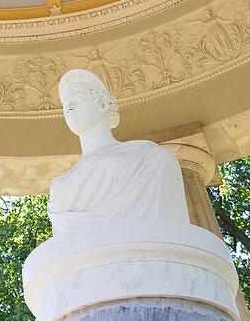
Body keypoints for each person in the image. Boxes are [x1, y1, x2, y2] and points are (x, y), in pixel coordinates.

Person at [48, 69, 188, 234]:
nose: (69, 108)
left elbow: (175, 228)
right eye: (65, 105)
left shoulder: (147, 156)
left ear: (102, 104)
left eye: (78, 99)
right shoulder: (60, 185)